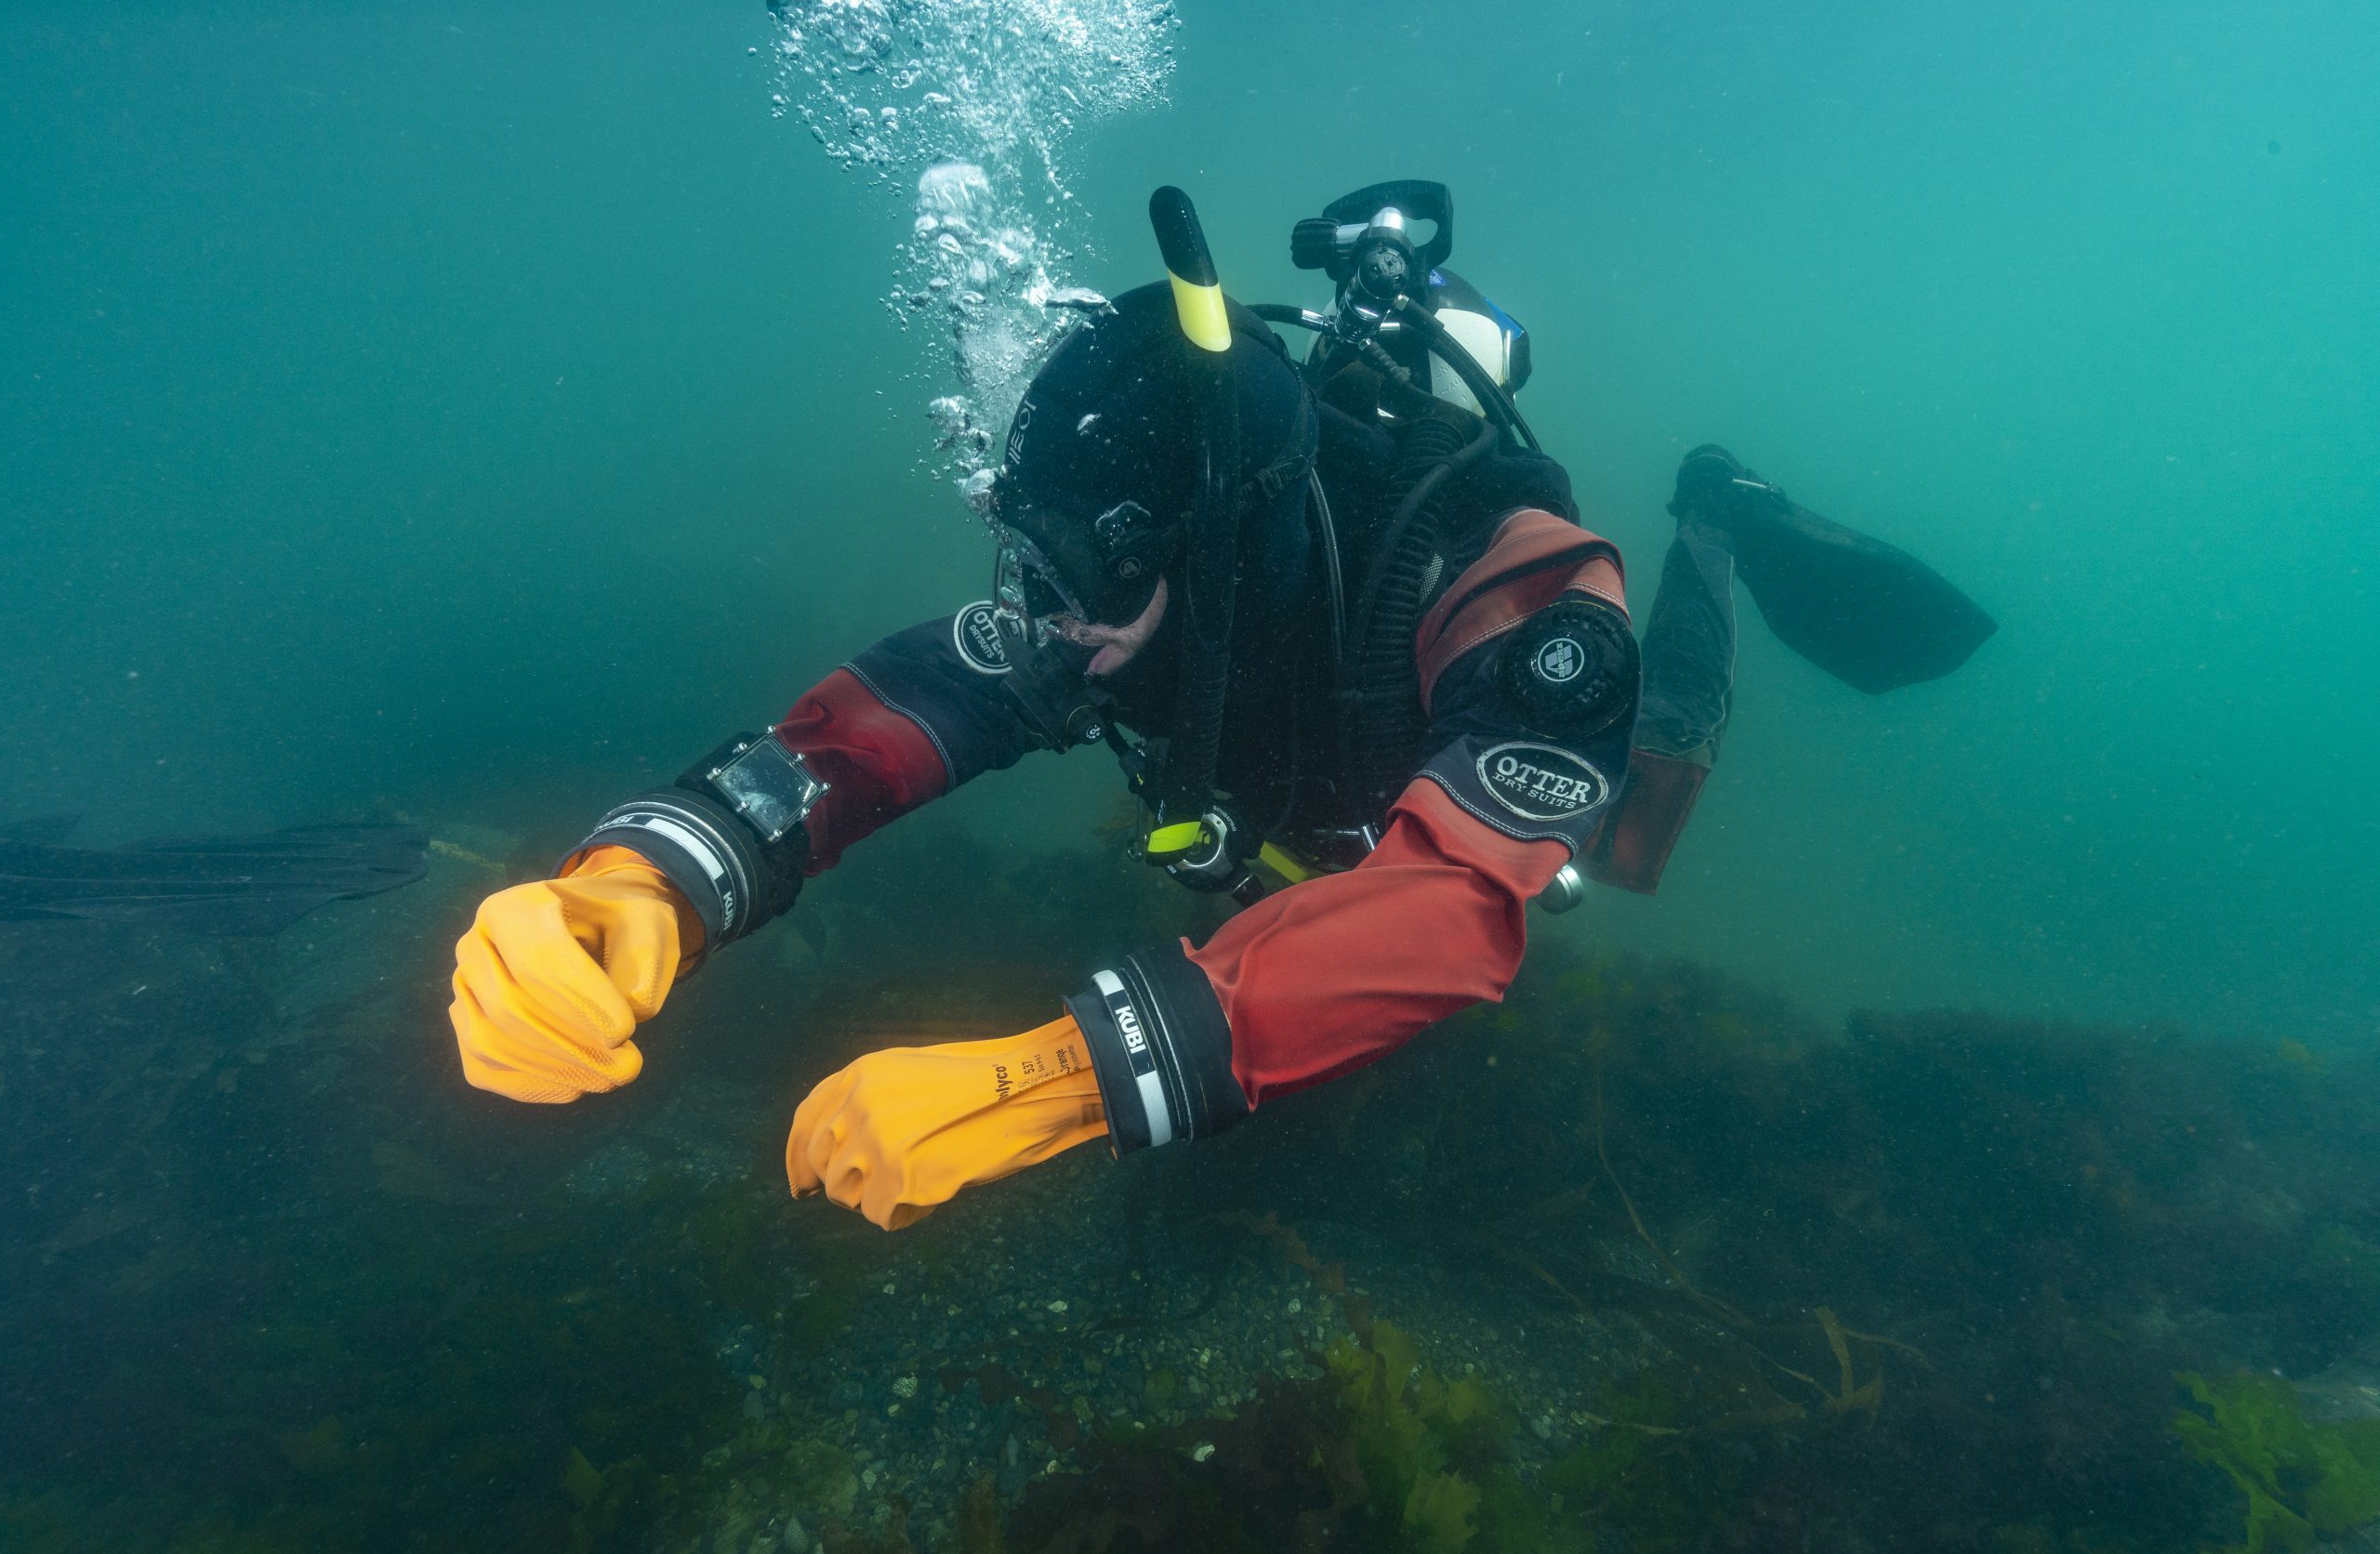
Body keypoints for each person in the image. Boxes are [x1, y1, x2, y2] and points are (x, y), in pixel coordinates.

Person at [446, 186, 1991, 1231]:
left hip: (1456, 743)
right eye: (1031, 565)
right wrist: (643, 880)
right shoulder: (1114, 586)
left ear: (1216, 549)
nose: (1052, 622)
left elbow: (1457, 906)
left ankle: (1716, 520)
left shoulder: (1521, 587)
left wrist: (1066, 1074)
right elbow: (909, 702)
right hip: (1308, 793)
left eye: (1085, 581)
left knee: (1631, 851)